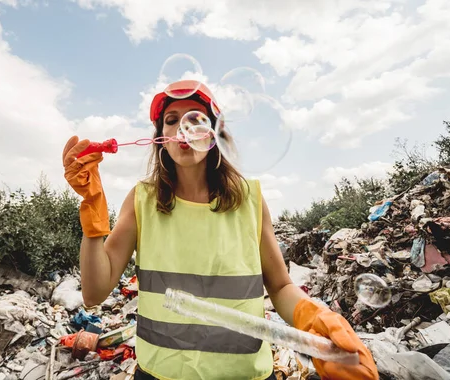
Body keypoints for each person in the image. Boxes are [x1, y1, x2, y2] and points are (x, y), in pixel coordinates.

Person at [62, 80, 378, 380]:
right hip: (161, 374)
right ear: (160, 137)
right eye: (171, 120)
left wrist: (315, 319)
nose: (182, 129)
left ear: (213, 132)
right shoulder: (142, 200)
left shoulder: (250, 198)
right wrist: (92, 209)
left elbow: (280, 286)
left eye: (193, 119)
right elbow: (94, 292)